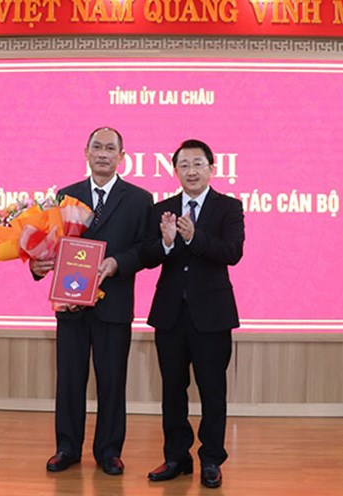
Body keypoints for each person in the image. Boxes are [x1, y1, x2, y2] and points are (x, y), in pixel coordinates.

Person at [29, 127, 152, 476]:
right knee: (69, 378)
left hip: (114, 305)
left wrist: (117, 263)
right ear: (85, 152)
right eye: (96, 147)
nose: (102, 153)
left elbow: (146, 249)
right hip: (70, 305)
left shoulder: (140, 199)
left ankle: (109, 450)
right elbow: (51, 245)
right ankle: (66, 447)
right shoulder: (66, 196)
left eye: (110, 148)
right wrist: (37, 265)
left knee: (112, 379)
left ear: (121, 157)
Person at [141, 139, 245, 489]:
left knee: (213, 390)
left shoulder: (228, 208)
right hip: (170, 315)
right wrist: (167, 242)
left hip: (212, 316)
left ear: (212, 169)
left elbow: (232, 253)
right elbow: (148, 255)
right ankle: (176, 457)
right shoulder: (163, 208)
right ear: (175, 171)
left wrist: (195, 237)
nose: (191, 171)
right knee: (173, 389)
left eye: (198, 164)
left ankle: (212, 459)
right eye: (183, 165)